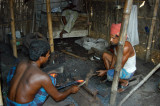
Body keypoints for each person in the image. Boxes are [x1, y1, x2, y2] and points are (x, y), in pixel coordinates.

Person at [7, 40, 79, 105]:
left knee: (14, 71)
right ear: (41, 57)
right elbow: (57, 97)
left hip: (9, 102)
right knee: (51, 80)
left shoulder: (21, 64)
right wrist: (71, 90)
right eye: (48, 54)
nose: (48, 56)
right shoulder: (42, 77)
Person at [96, 23, 136, 92]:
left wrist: (106, 72)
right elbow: (115, 57)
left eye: (113, 37)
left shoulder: (126, 47)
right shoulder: (117, 43)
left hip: (127, 71)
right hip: (119, 65)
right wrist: (110, 69)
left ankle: (123, 81)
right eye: (110, 37)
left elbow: (119, 67)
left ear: (119, 37)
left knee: (110, 74)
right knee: (105, 55)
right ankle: (110, 75)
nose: (111, 40)